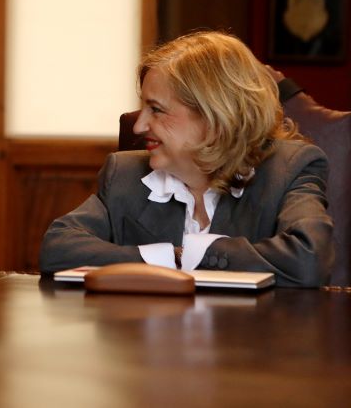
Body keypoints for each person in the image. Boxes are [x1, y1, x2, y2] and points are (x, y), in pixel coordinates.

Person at [39, 31, 334, 287]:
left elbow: (308, 260)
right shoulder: (125, 175)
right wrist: (171, 257)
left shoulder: (290, 169)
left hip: (251, 343)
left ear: (214, 117)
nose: (139, 126)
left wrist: (201, 254)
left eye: (156, 109)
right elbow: (58, 248)